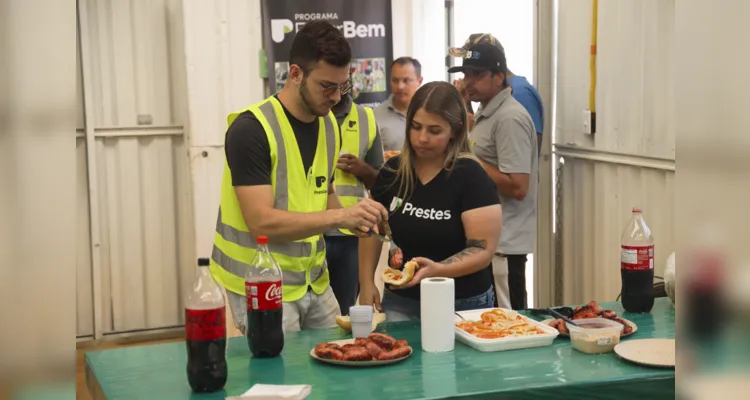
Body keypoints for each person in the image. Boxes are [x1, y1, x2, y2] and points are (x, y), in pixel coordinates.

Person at [210, 21, 388, 334]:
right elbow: (260, 222)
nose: (335, 97)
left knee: (335, 366)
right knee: (280, 379)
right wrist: (341, 214)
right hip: (261, 282)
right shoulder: (251, 130)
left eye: (342, 86)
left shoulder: (328, 125)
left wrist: (356, 221)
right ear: (295, 74)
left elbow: (323, 193)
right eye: (326, 86)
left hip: (313, 281)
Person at [358, 81, 502, 321]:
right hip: (401, 299)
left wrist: (439, 271)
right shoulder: (393, 171)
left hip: (462, 301)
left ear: (455, 130)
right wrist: (366, 282)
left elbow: (483, 249)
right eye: (415, 127)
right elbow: (371, 229)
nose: (422, 138)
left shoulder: (470, 175)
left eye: (434, 131)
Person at [448, 40, 538, 310]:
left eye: (477, 74)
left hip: (505, 245)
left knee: (509, 324)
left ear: (499, 77)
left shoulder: (509, 119)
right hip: (489, 244)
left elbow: (519, 186)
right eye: (466, 74)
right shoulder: (489, 113)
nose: (468, 81)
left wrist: (470, 161)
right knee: (490, 323)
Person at [325, 88, 385, 315]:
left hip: (351, 237)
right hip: (311, 232)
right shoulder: (309, 115)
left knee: (347, 310)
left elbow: (380, 182)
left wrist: (363, 169)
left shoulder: (366, 118)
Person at [451, 33, 545, 155]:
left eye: (476, 71)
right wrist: (466, 100)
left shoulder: (519, 93)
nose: (467, 79)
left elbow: (526, 151)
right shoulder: (489, 95)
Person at [373, 57, 423, 152]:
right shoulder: (376, 115)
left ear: (419, 81)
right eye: (395, 81)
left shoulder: (431, 111)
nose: (400, 86)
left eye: (406, 80)